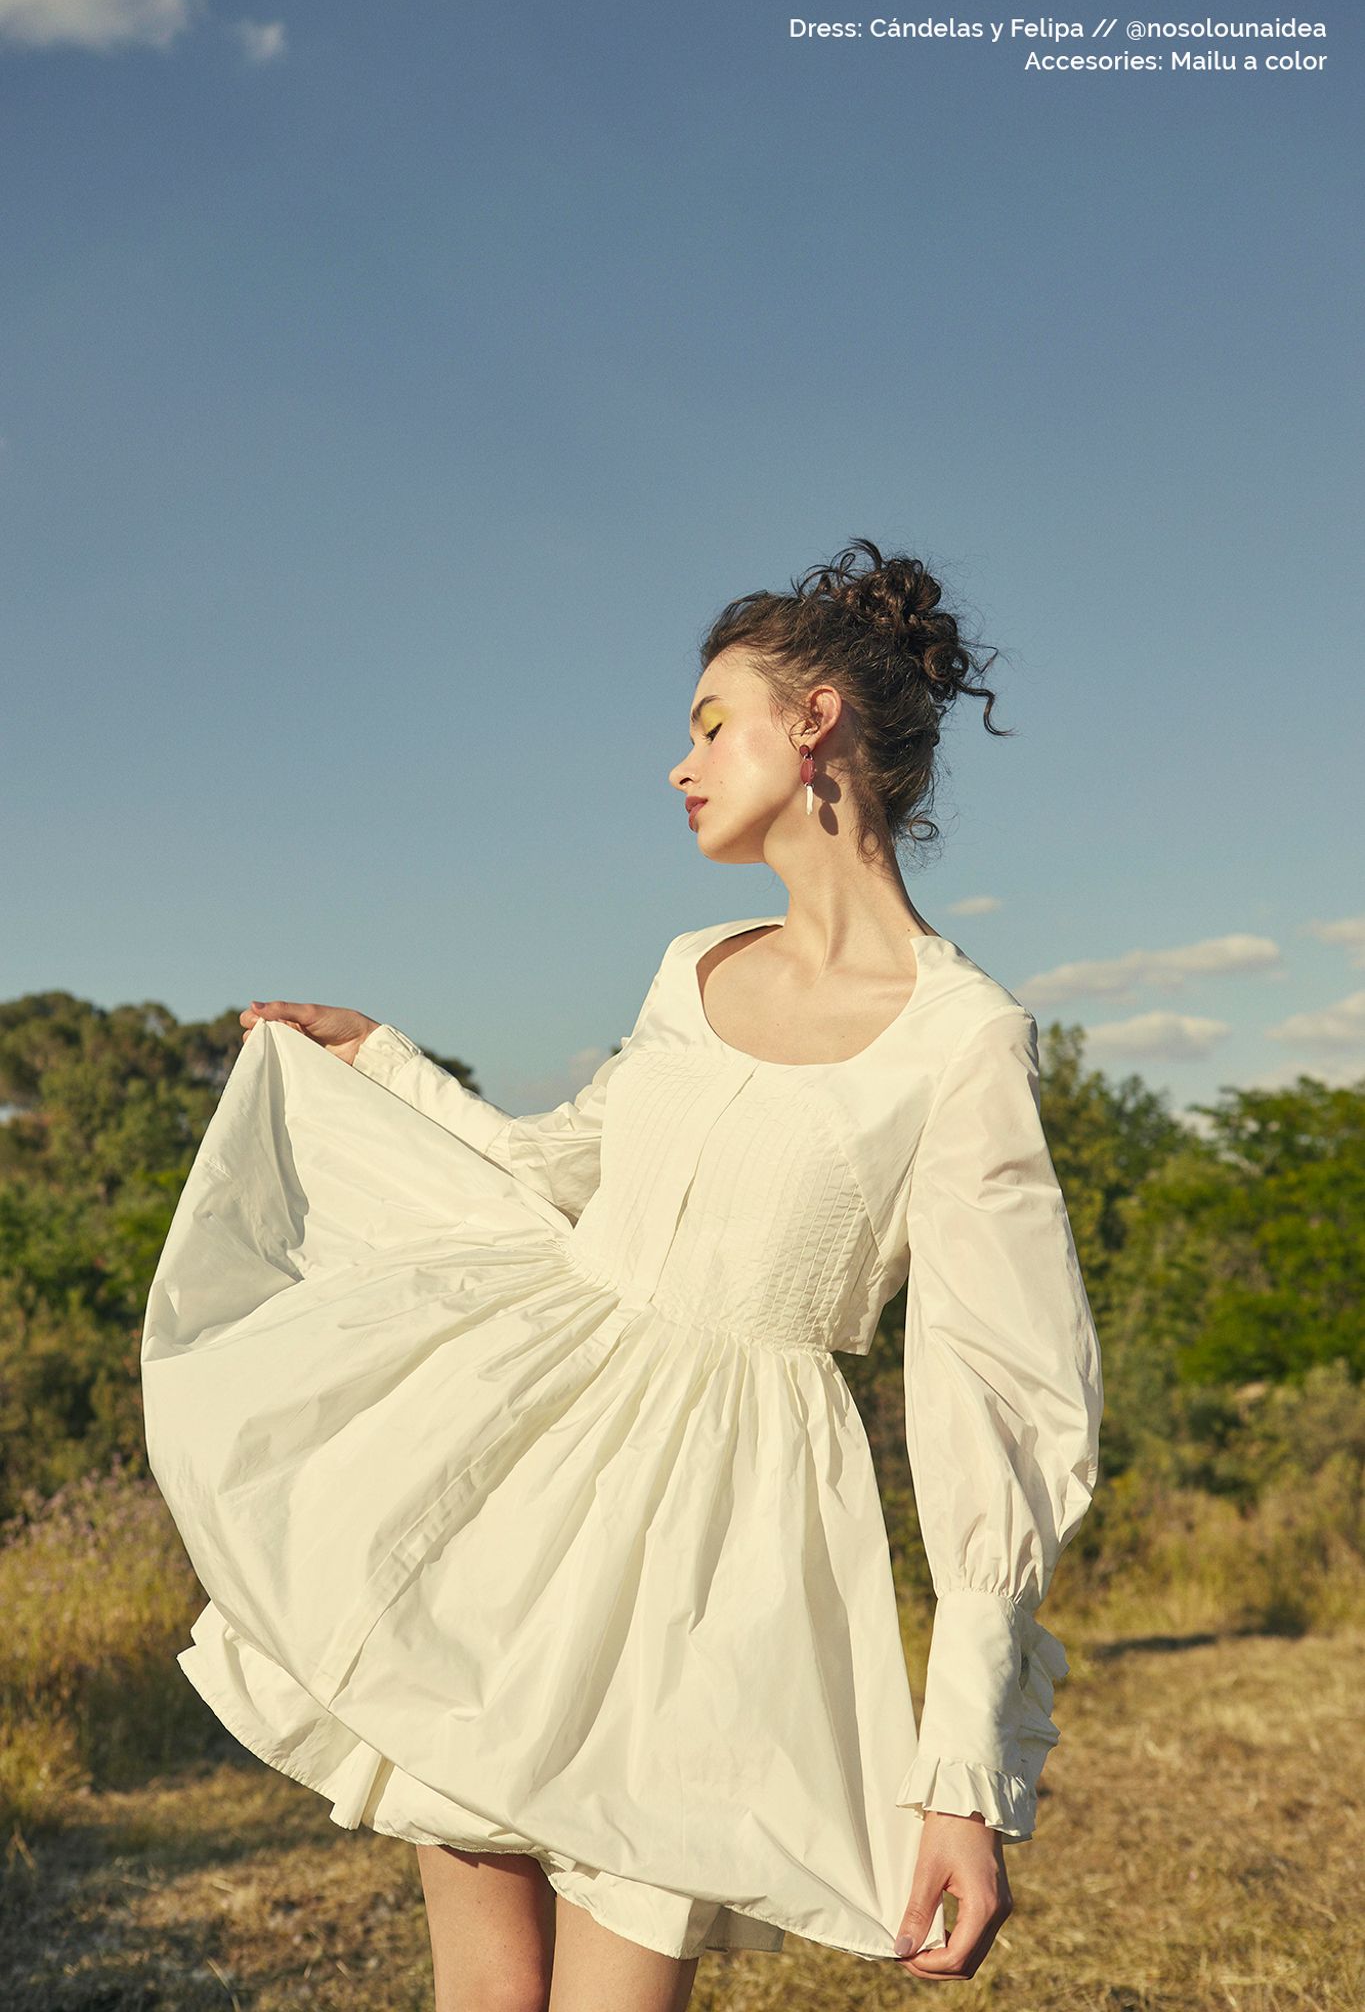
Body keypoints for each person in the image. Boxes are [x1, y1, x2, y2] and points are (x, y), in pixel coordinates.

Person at [143, 541, 1102, 2012]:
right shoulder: (691, 963)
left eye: (713, 723)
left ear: (818, 721)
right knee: (484, 1991)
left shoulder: (962, 1038)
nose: (680, 763)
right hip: (515, 1490)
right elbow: (557, 1176)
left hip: (720, 1550)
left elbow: (1003, 1395)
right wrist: (381, 1063)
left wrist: (963, 1774)